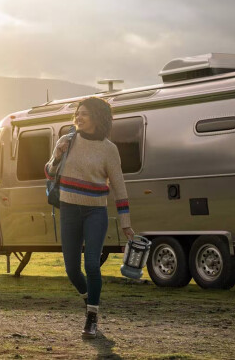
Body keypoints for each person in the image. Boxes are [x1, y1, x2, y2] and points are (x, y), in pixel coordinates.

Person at [45, 97, 134, 339]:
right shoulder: (67, 140)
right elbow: (50, 172)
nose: (79, 118)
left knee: (92, 265)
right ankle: (89, 300)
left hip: (96, 212)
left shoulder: (109, 149)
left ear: (97, 117)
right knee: (72, 270)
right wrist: (56, 154)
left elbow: (119, 186)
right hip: (69, 210)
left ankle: (92, 316)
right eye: (78, 113)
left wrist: (125, 222)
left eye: (84, 114)